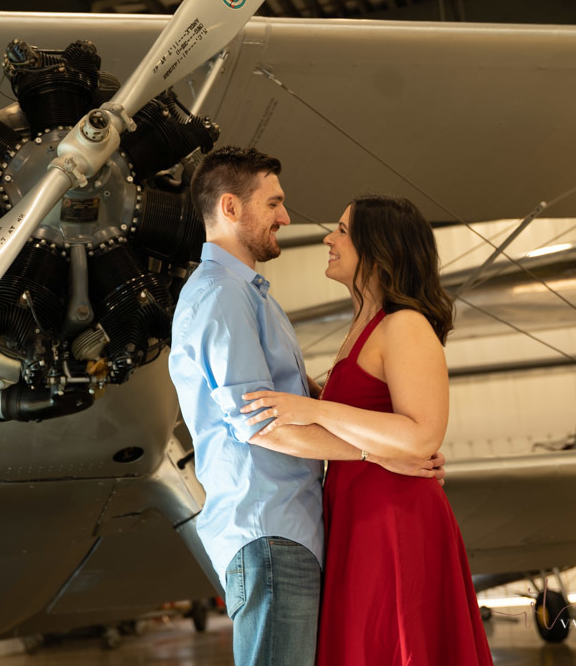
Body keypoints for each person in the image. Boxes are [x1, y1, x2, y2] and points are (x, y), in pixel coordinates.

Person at [168, 150, 446, 666]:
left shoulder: (255, 298)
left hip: (302, 528)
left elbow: (299, 407)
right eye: (274, 203)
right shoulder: (222, 295)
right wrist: (376, 454)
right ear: (230, 207)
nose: (288, 219)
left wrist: (324, 406)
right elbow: (262, 424)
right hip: (269, 527)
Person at [240, 195, 494, 665]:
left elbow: (421, 436)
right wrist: (312, 399)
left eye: (341, 230)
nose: (328, 239)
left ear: (377, 248)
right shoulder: (363, 325)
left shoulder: (405, 325)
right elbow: (365, 416)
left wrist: (312, 411)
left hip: (393, 516)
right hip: (360, 513)